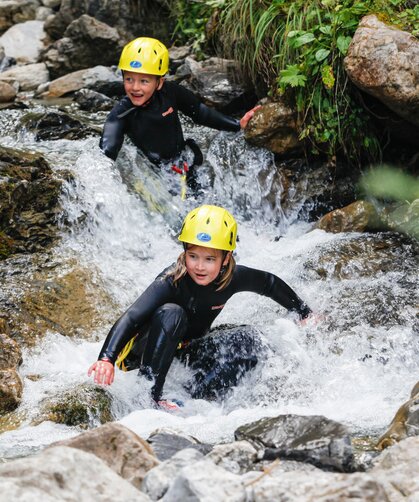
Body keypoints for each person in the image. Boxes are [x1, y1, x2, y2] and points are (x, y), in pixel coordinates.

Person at [88, 205, 316, 409]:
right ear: (184, 253)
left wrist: (304, 312)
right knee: (172, 313)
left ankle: (205, 401)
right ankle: (148, 397)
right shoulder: (172, 280)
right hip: (141, 357)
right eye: (193, 256)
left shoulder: (233, 277)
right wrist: (106, 358)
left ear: (226, 259)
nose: (199, 266)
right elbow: (132, 317)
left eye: (209, 259)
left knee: (250, 339)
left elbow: (269, 283)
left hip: (183, 352)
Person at [99, 37, 260, 192]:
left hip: (183, 161)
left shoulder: (171, 93)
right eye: (129, 79)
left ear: (159, 82)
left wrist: (237, 124)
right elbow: (107, 150)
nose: (135, 88)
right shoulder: (121, 114)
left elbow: (201, 113)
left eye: (144, 81)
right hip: (156, 176)